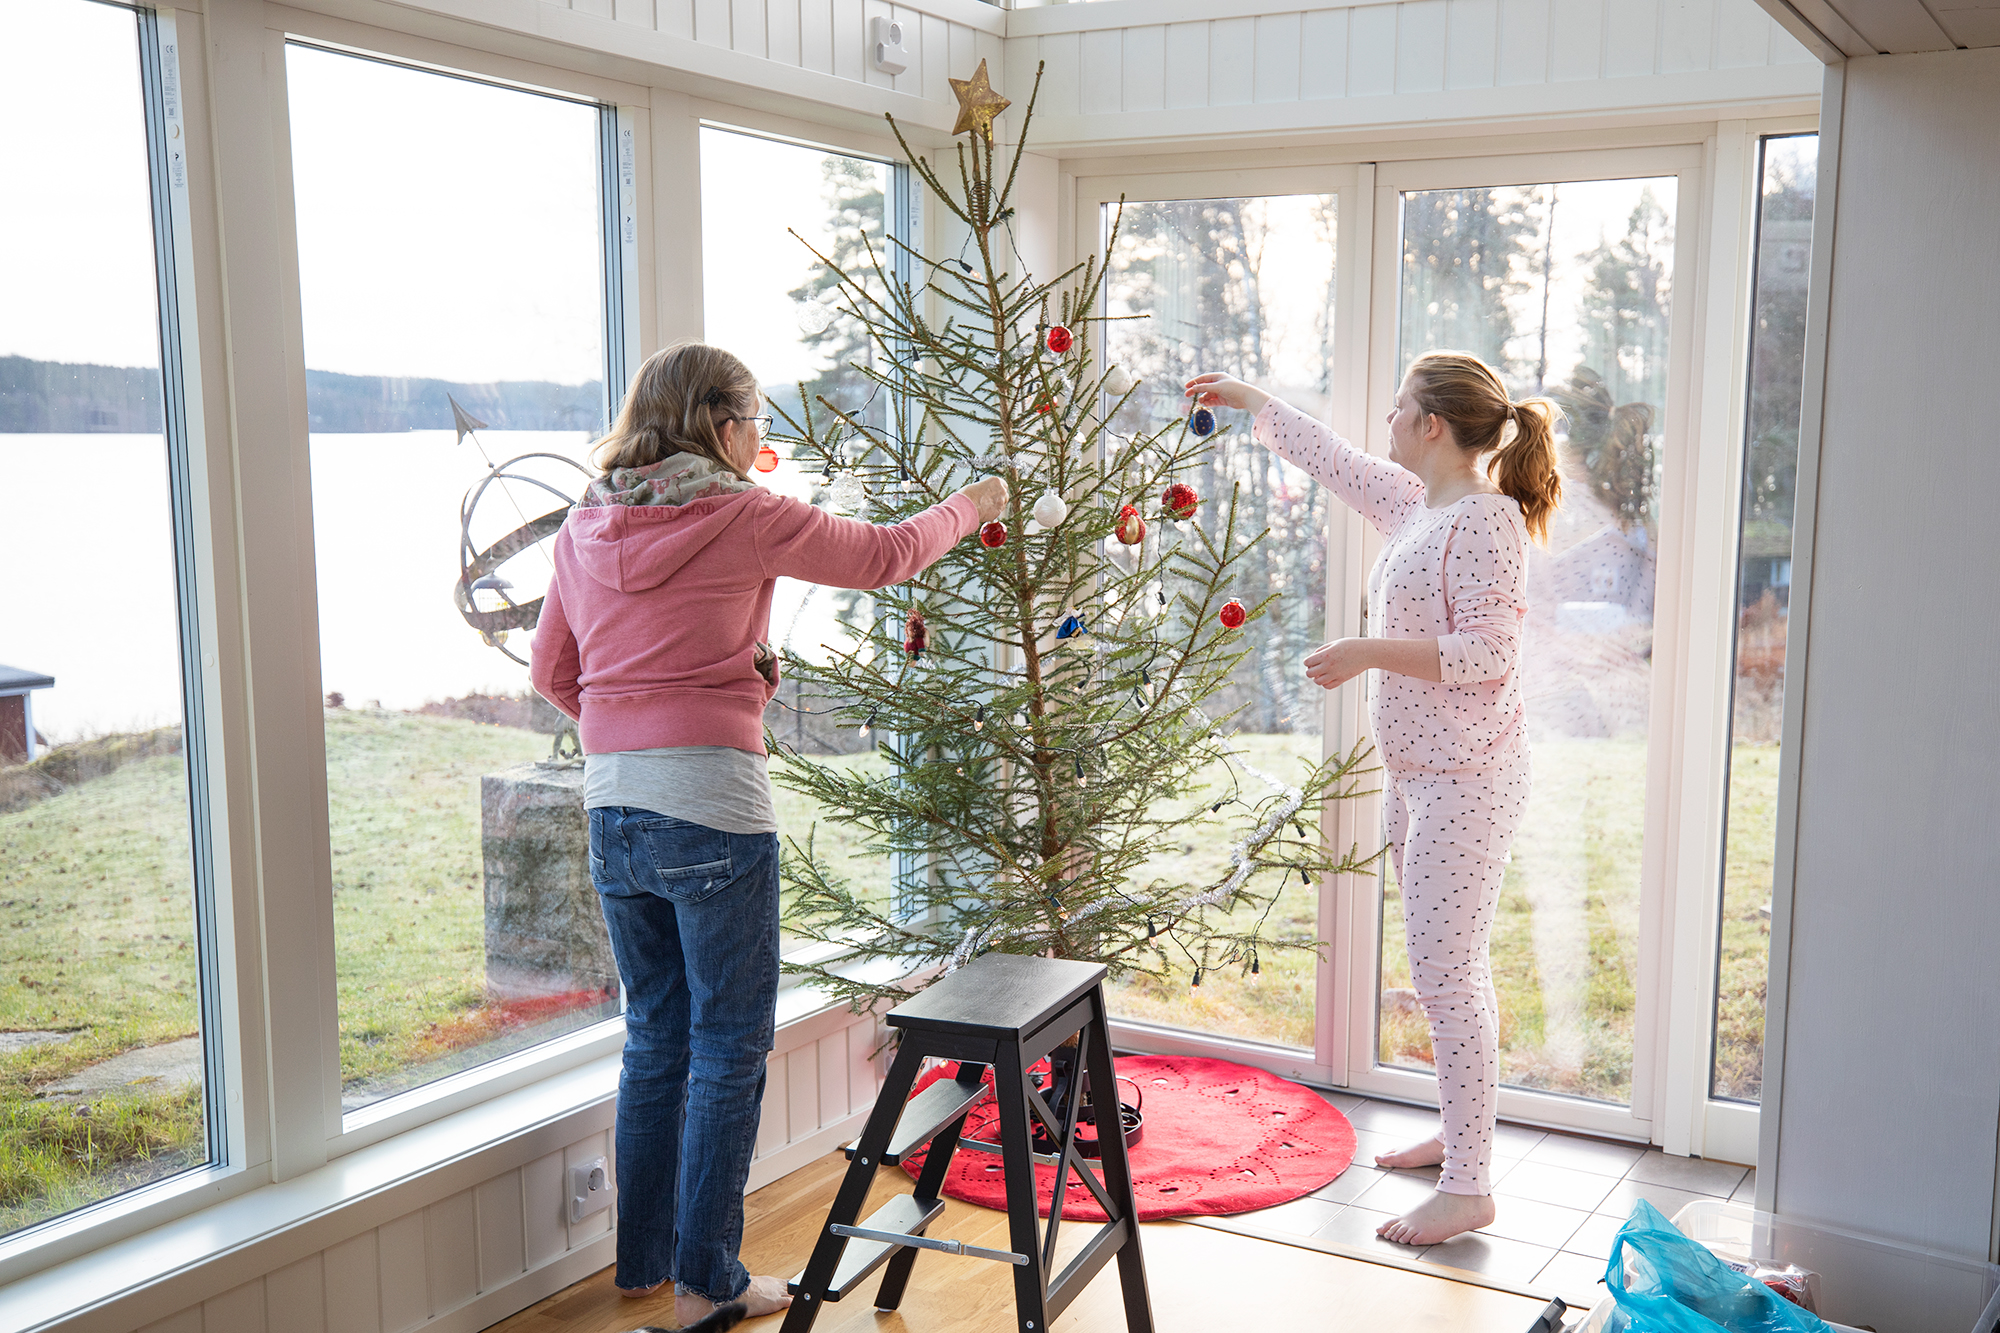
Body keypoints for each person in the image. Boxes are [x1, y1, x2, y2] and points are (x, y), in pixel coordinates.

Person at [531, 342, 1007, 1324]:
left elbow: (555, 674)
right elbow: (882, 556)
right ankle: (709, 1281)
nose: (761, 441)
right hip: (711, 809)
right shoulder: (740, 513)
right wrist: (975, 502)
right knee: (726, 1051)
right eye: (755, 422)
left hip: (612, 807)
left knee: (654, 1036)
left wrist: (649, 713)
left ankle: (641, 1264)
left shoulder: (584, 524)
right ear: (718, 423)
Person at [1184, 353, 1561, 1247]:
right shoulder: (1416, 507)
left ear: (1432, 422)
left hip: (1468, 781)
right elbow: (1335, 459)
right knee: (1446, 971)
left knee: (1447, 975)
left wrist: (1367, 648)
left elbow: (1487, 656)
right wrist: (1253, 402)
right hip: (1418, 777)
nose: (1389, 419)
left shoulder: (1486, 522)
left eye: (1400, 405)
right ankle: (1459, 1139)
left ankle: (1469, 1186)